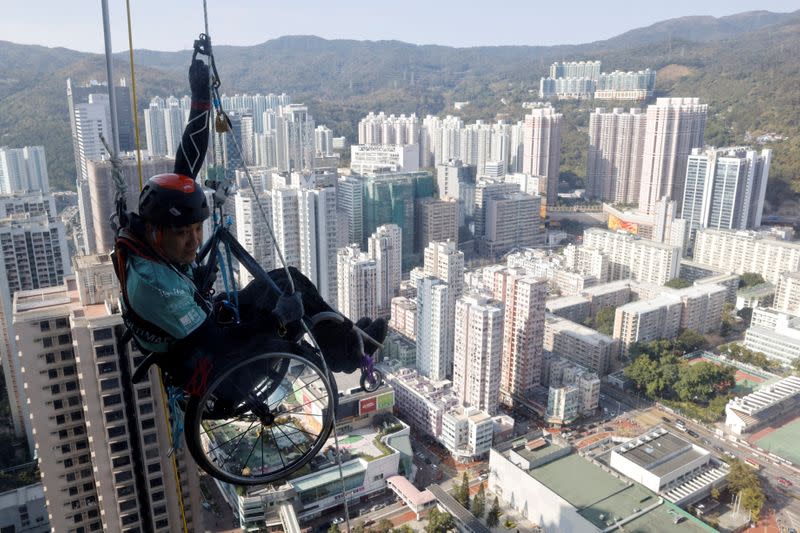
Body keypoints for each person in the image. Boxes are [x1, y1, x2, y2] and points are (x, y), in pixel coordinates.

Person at [114, 55, 386, 388]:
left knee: (290, 281)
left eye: (197, 230)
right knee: (291, 307)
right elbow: (218, 345)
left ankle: (350, 344)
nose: (193, 241)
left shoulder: (151, 237)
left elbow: (187, 162)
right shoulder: (157, 287)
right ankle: (348, 351)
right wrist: (277, 318)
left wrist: (200, 100)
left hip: (209, 327)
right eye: (183, 235)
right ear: (158, 232)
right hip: (224, 367)